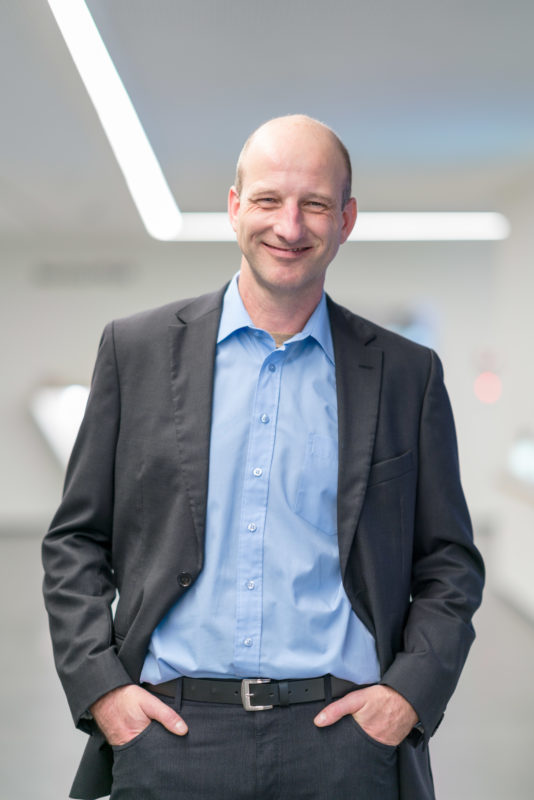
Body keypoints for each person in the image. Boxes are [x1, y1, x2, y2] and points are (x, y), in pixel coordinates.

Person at [42, 114, 484, 800]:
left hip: (344, 744)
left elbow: (449, 560)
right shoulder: (136, 352)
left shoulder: (406, 374)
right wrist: (105, 692)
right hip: (170, 736)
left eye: (314, 203)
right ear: (234, 207)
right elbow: (76, 540)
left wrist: (405, 698)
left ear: (347, 219)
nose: (290, 226)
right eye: (270, 200)